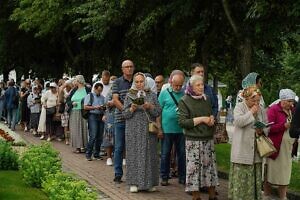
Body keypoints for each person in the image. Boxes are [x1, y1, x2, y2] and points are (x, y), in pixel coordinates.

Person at [178, 75, 218, 200]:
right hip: (193, 140)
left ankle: (212, 195)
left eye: (202, 85)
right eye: (198, 85)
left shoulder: (206, 99)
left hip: (208, 139)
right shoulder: (184, 100)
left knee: (210, 169)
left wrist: (211, 119)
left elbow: (210, 114)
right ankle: (196, 197)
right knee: (194, 170)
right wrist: (202, 119)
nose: (201, 87)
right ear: (191, 86)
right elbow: (183, 122)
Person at [123, 72, 161, 192]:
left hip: (148, 129)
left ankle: (149, 183)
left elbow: (158, 112)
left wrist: (150, 106)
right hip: (133, 130)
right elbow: (124, 114)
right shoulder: (129, 95)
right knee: (134, 155)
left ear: (145, 82)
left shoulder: (152, 95)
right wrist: (132, 108)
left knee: (150, 155)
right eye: (137, 82)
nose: (139, 84)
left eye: (141, 81)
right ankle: (134, 183)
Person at [229, 86, 267, 200]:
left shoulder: (261, 108)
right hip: (242, 150)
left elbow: (266, 124)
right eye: (253, 100)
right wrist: (251, 112)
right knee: (242, 179)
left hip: (256, 149)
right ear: (246, 98)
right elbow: (238, 122)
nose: (256, 103)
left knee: (255, 176)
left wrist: (263, 129)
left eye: (258, 100)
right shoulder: (239, 107)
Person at [264, 89, 296, 200]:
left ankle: (283, 197)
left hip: (288, 147)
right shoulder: (273, 110)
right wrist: (284, 126)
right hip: (275, 147)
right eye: (290, 101)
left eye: (292, 101)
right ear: (283, 100)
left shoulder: (293, 110)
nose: (292, 104)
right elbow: (268, 128)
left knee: (285, 172)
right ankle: (266, 195)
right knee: (270, 173)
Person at [157, 71, 186, 186]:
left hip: (181, 130)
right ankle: (164, 176)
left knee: (182, 154)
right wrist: (159, 128)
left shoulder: (185, 94)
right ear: (171, 82)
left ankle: (182, 177)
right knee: (165, 154)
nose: (178, 87)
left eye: (180, 85)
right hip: (167, 129)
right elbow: (158, 112)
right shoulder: (164, 93)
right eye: (176, 85)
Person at [112, 60, 135, 183]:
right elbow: (115, 100)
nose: (129, 69)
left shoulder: (138, 81)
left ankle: (132, 173)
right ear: (122, 69)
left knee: (132, 148)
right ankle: (118, 173)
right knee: (119, 147)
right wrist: (126, 111)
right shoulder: (117, 82)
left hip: (134, 120)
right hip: (120, 119)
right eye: (127, 67)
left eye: (131, 66)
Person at [68, 75, 90, 153]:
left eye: (75, 80)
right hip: (74, 112)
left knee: (84, 128)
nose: (74, 82)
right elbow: (68, 100)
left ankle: (84, 146)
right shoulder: (74, 90)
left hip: (83, 111)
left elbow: (90, 99)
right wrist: (71, 103)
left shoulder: (87, 89)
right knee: (75, 129)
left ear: (79, 81)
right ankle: (77, 147)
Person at [84, 82, 106, 161]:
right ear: (95, 89)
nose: (99, 92)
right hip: (92, 116)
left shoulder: (103, 97)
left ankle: (96, 154)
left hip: (100, 116)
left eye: (101, 91)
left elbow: (105, 107)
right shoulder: (89, 96)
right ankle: (88, 154)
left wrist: (102, 108)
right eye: (98, 90)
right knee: (93, 135)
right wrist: (95, 107)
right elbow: (85, 107)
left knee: (100, 136)